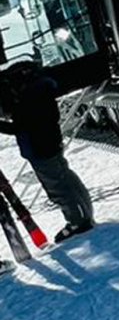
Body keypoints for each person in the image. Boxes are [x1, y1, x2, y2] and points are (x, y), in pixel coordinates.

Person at [0, 59, 94, 242]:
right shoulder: (41, 91)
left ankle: (77, 221)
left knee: (57, 187)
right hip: (48, 143)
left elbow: (21, 126)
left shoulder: (30, 98)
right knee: (65, 177)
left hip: (39, 147)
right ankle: (84, 215)